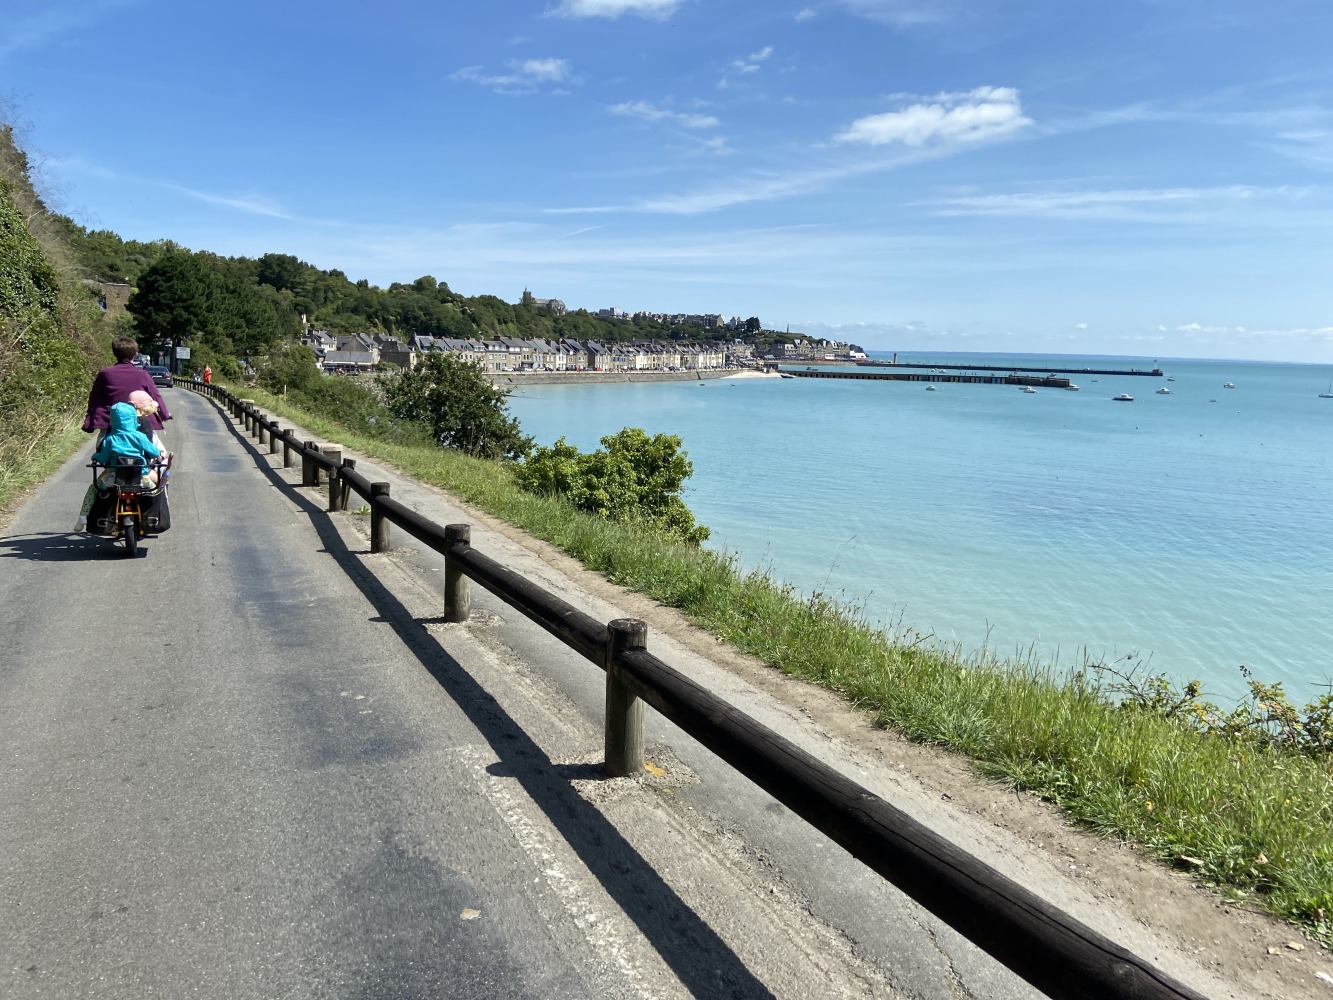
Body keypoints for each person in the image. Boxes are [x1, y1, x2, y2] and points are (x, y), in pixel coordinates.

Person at [74, 402, 163, 532]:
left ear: (113, 420)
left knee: (93, 489)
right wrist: (157, 455)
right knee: (155, 493)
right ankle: (154, 518)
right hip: (140, 477)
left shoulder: (110, 439)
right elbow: (154, 452)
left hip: (114, 478)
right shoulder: (140, 436)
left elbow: (104, 458)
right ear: (133, 419)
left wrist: (95, 456)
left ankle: (83, 518)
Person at [83, 337, 171, 435]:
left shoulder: (105, 373)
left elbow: (94, 396)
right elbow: (155, 396)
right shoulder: (142, 374)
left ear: (114, 354)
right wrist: (164, 415)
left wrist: (89, 414)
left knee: (102, 446)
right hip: (137, 422)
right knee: (156, 448)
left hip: (110, 421)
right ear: (135, 354)